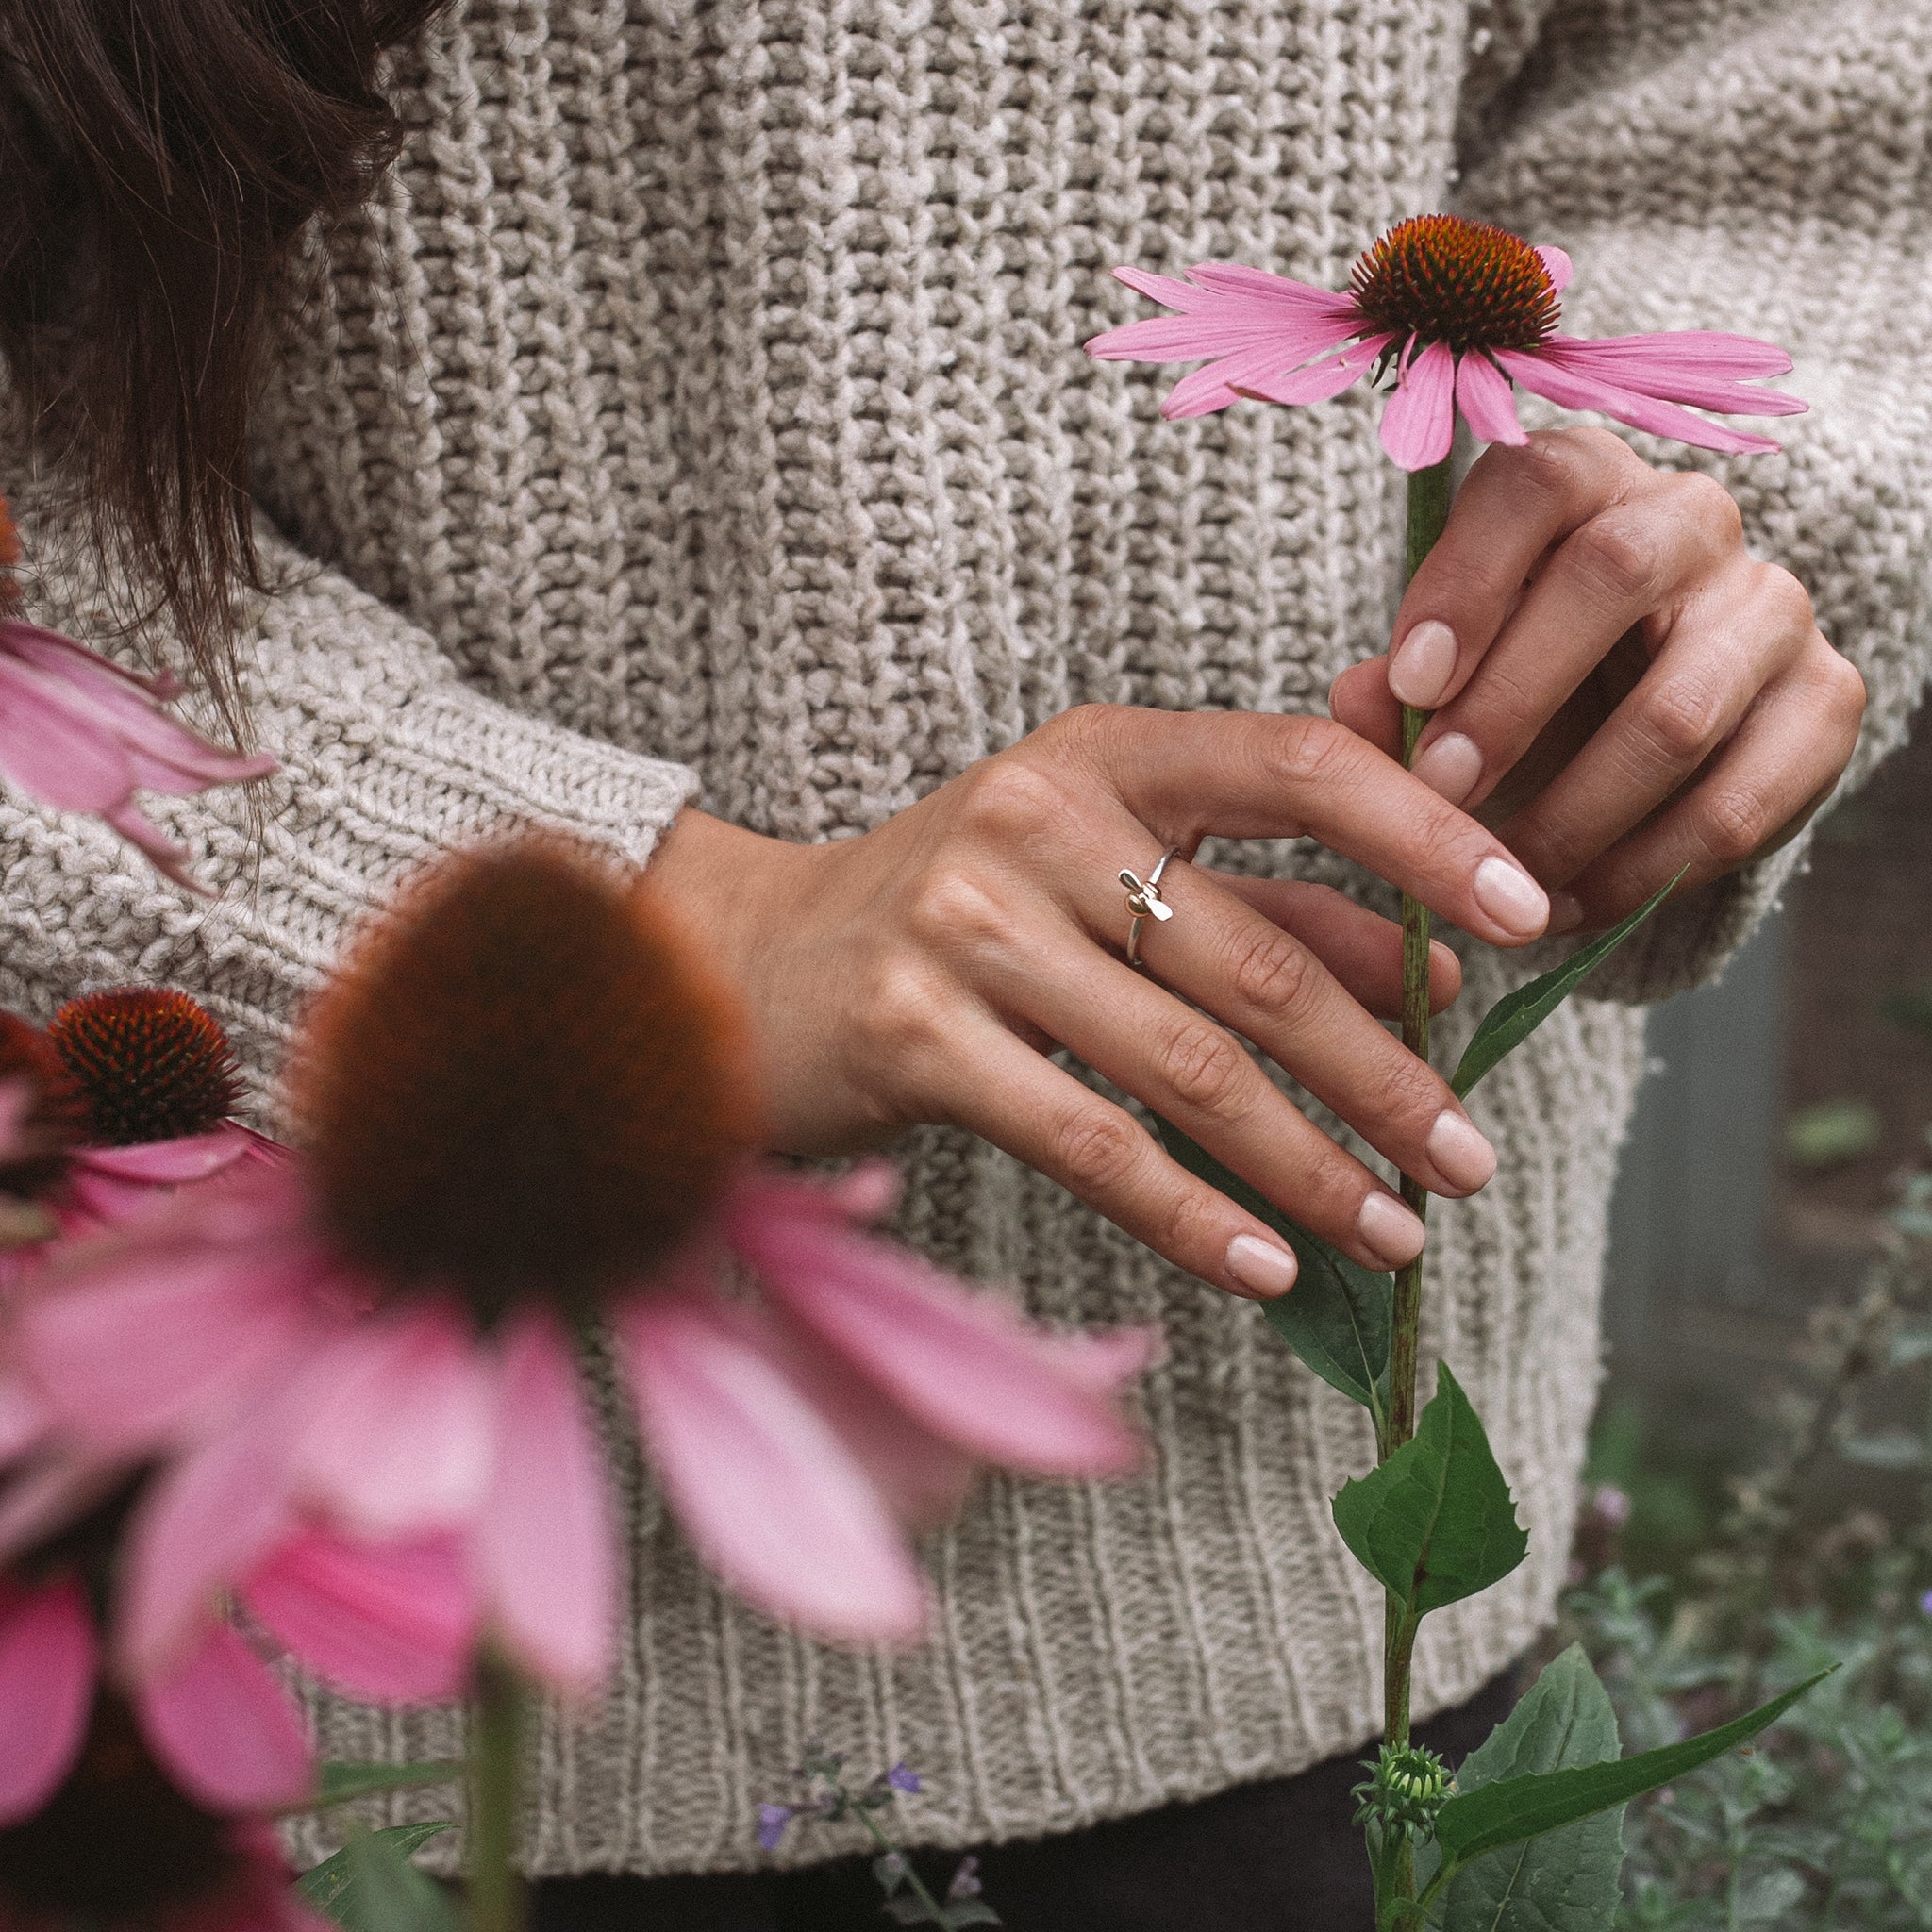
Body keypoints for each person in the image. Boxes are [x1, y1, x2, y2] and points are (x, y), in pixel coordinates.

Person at [0, 1, 1922, 1924]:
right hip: (301, 1614)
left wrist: (1702, 549)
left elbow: (1799, 85)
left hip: (1342, 1581)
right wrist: (627, 919)